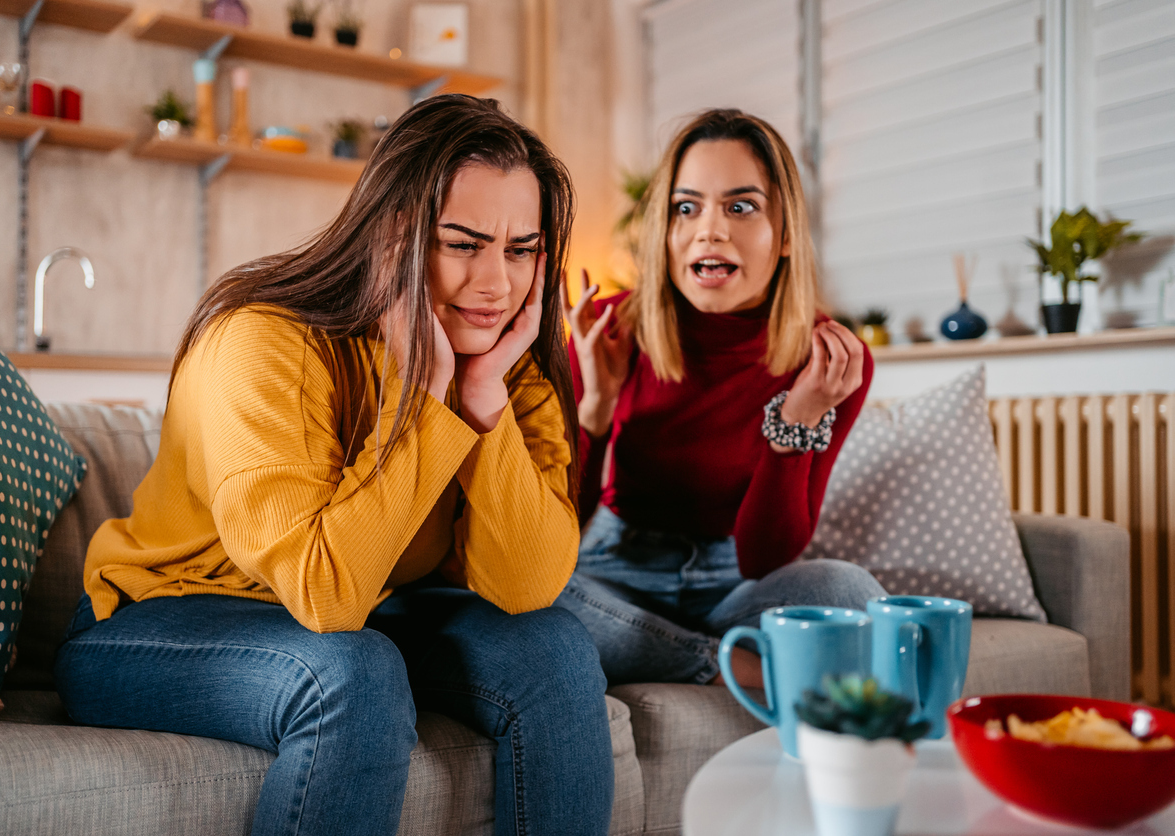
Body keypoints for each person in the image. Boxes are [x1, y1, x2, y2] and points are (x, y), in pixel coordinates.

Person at [54, 94, 613, 836]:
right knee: (351, 674)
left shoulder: (509, 370)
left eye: (520, 250)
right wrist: (424, 396)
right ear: (394, 238)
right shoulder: (260, 342)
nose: (496, 285)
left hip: (362, 612)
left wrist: (481, 406)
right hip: (155, 625)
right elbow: (326, 596)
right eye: (464, 243)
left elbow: (525, 584)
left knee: (556, 647)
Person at [555, 108, 885, 689]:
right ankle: (726, 666)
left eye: (741, 206)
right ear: (666, 230)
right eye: (688, 208)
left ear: (784, 235)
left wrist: (795, 422)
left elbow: (765, 560)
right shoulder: (610, 327)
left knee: (852, 594)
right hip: (614, 571)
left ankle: (676, 654)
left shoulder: (830, 360)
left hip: (734, 581)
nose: (710, 229)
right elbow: (560, 529)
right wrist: (594, 417)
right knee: (530, 597)